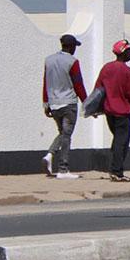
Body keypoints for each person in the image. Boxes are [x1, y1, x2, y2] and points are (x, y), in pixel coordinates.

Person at [97, 39, 130, 182]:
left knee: (117, 140)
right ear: (124, 53)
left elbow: (98, 89)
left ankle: (114, 168)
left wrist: (95, 108)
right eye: (129, 50)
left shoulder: (106, 68)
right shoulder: (127, 71)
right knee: (121, 142)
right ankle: (117, 171)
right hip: (122, 112)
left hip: (109, 111)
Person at [41, 34, 87, 178]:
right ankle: (63, 169)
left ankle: (50, 155)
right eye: (75, 47)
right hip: (68, 103)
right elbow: (78, 84)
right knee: (67, 135)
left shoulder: (49, 60)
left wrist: (45, 103)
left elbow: (45, 82)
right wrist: (87, 102)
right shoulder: (72, 61)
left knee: (63, 134)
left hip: (54, 103)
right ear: (71, 46)